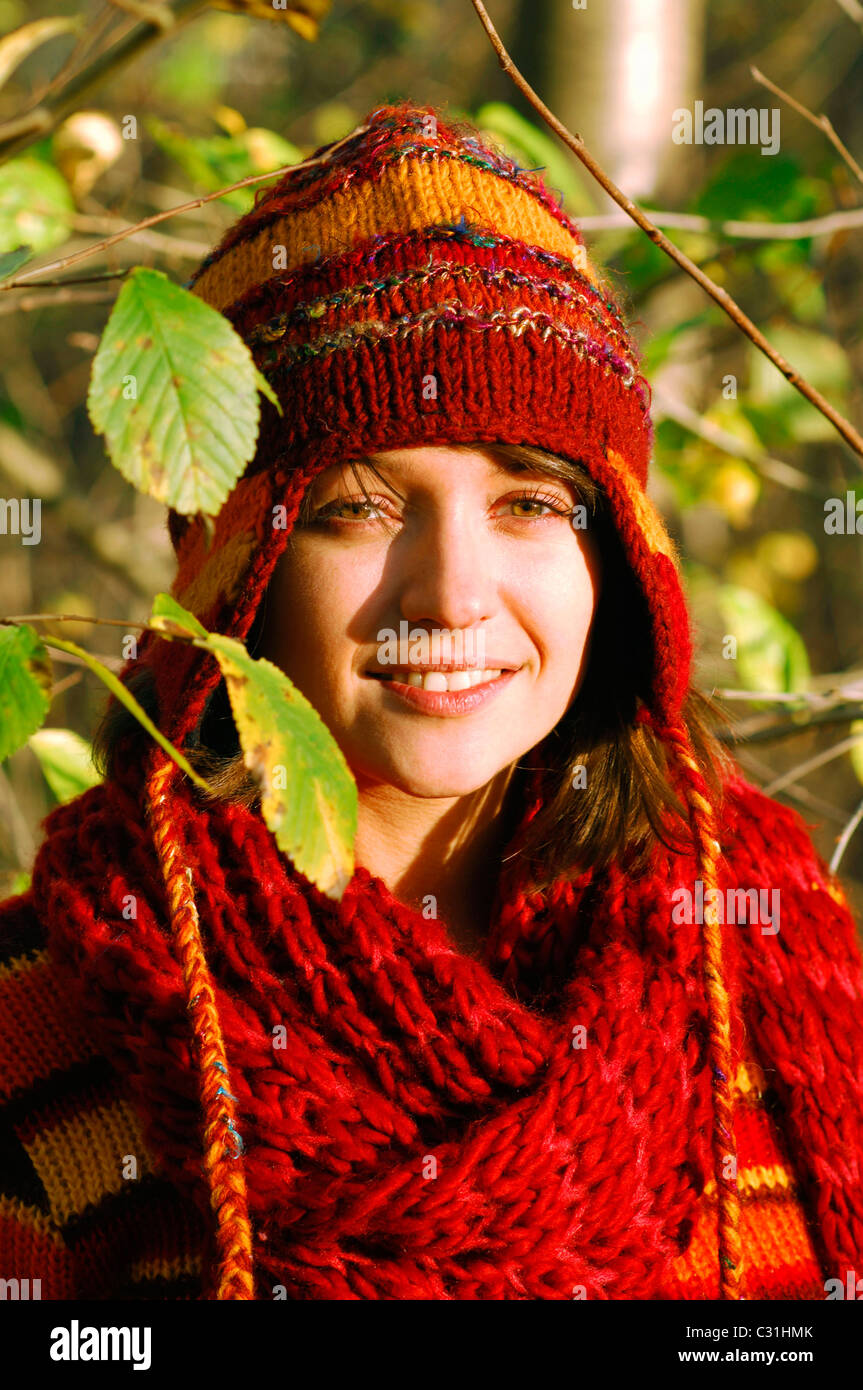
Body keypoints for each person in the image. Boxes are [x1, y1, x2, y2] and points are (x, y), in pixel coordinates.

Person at [1, 99, 862, 1302]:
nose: (452, 592)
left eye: (527, 505)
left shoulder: (761, 962)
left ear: (614, 559)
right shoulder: (43, 1030)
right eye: (358, 506)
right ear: (239, 568)